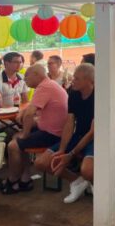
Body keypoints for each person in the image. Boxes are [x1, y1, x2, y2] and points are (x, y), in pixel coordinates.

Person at [3, 63, 68, 194]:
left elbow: (29, 114)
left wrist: (25, 134)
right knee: (15, 136)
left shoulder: (44, 87)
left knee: (13, 145)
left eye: (27, 76)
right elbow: (30, 108)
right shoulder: (49, 84)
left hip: (53, 134)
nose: (25, 79)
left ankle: (13, 180)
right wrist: (24, 114)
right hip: (55, 129)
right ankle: (25, 178)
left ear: (36, 75)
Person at [38, 63, 95, 203]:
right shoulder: (74, 94)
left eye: (77, 78)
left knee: (87, 170)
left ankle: (97, 184)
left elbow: (93, 132)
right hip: (78, 136)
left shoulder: (99, 97)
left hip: (95, 138)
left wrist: (70, 155)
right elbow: (70, 122)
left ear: (89, 81)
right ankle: (77, 182)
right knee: (41, 163)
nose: (72, 80)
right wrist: (62, 150)